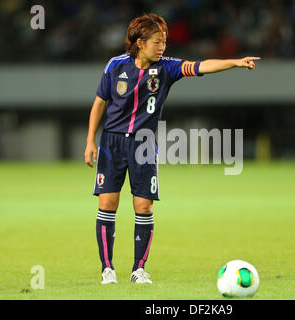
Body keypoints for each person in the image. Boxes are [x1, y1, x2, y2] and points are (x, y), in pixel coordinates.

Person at [84, 13, 260, 285]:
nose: (163, 47)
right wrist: (89, 141)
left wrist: (234, 63)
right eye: (157, 42)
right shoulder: (115, 65)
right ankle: (107, 269)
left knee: (144, 206)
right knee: (108, 203)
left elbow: (201, 66)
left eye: (164, 41)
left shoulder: (167, 68)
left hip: (144, 144)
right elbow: (99, 103)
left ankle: (138, 270)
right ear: (140, 42)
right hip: (112, 142)